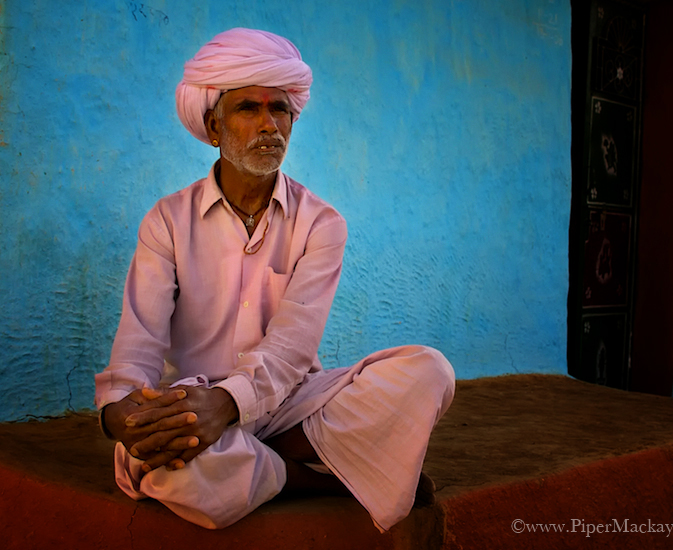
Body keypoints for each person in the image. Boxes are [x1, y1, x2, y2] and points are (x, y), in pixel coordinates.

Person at [94, 27, 455, 532]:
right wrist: (123, 419)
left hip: (287, 402)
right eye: (248, 109)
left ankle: (258, 450)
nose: (269, 126)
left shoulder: (321, 223)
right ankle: (315, 479)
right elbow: (137, 346)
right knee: (170, 469)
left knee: (429, 372)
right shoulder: (166, 222)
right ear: (214, 127)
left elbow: (291, 349)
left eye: (280, 110)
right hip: (191, 407)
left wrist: (230, 406)